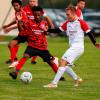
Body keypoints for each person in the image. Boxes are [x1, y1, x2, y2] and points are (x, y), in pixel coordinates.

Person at [43, 5, 99, 88]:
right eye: (66, 14)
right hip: (73, 47)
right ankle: (77, 79)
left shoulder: (81, 22)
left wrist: (95, 43)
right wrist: (47, 30)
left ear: (73, 14)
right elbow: (58, 30)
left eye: (68, 14)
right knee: (63, 64)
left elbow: (89, 33)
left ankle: (54, 83)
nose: (67, 16)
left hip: (78, 47)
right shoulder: (67, 23)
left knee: (62, 61)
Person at [9, 6, 64, 80]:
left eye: (38, 15)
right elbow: (21, 29)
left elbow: (47, 32)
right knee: (25, 56)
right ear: (33, 15)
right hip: (32, 46)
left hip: (42, 48)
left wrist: (48, 30)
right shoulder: (29, 22)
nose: (37, 17)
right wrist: (19, 21)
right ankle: (15, 73)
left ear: (41, 14)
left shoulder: (44, 23)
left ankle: (59, 77)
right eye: (35, 15)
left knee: (50, 62)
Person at [2, 0, 55, 64]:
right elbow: (20, 22)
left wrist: (52, 26)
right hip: (26, 32)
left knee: (39, 47)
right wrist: (9, 26)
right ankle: (14, 60)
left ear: (35, 2)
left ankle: (44, 59)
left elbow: (46, 17)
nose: (32, 3)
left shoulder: (38, 10)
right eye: (30, 1)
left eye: (33, 1)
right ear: (28, 2)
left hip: (33, 32)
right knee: (13, 44)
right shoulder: (23, 10)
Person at [2, 0, 29, 64]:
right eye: (14, 6)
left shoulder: (23, 13)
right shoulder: (17, 12)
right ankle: (14, 60)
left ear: (20, 5)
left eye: (17, 5)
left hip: (28, 34)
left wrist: (10, 28)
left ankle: (51, 58)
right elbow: (17, 21)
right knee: (11, 44)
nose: (15, 7)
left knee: (38, 49)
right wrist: (8, 25)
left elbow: (22, 24)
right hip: (22, 34)